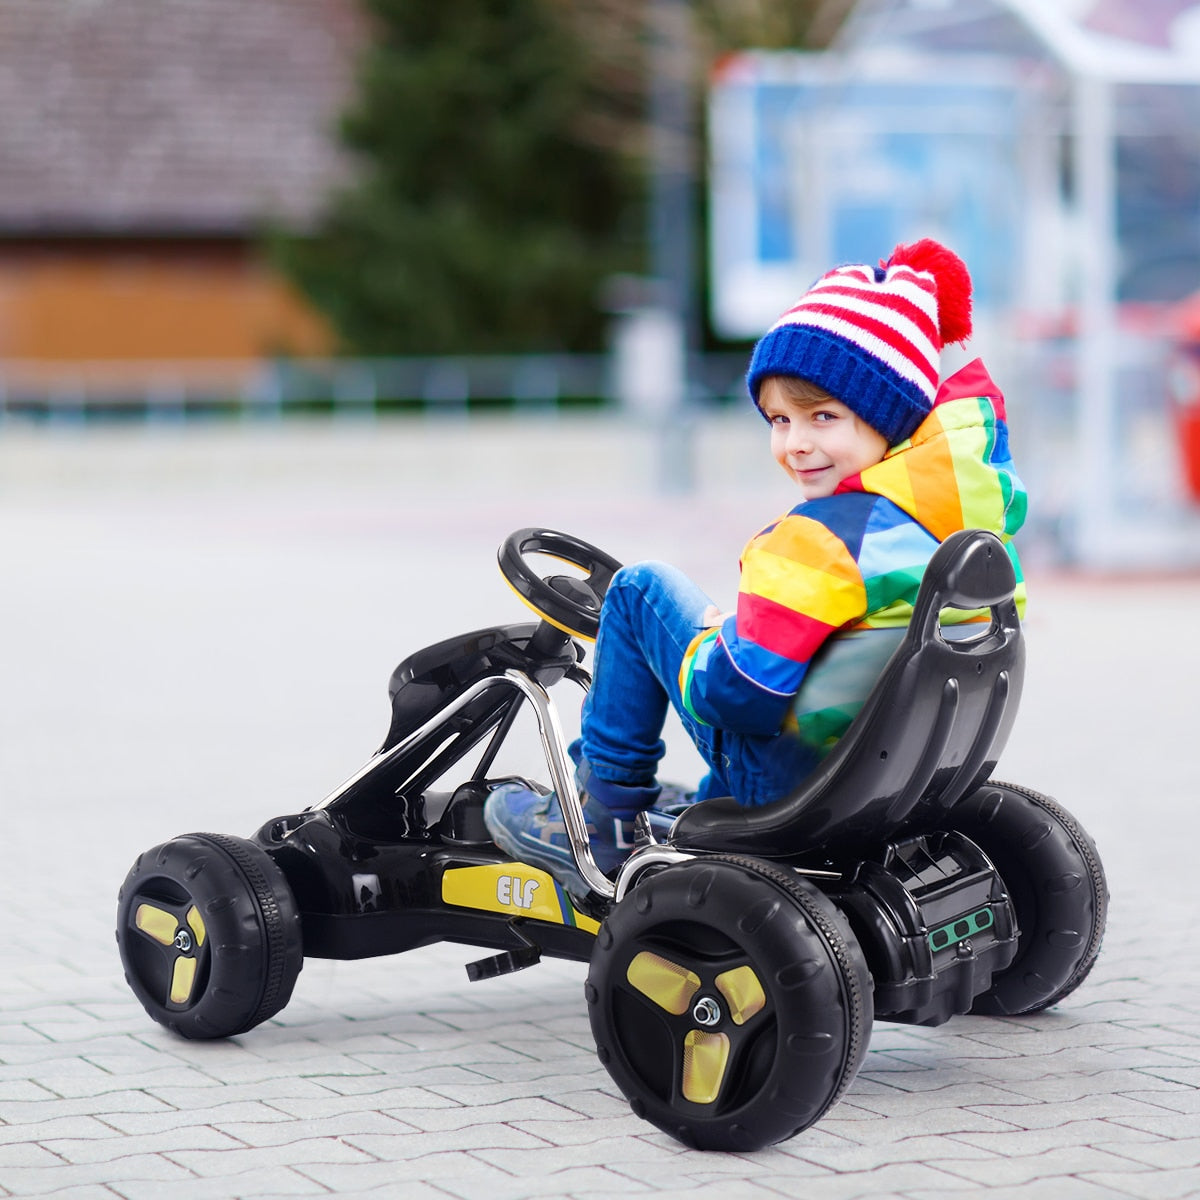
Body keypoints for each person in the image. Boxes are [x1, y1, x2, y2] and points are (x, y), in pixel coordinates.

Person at [484, 238, 1027, 897]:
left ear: (888, 417)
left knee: (639, 591)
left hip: (792, 781)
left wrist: (714, 645)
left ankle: (602, 824)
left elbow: (736, 695)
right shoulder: (955, 528)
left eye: (823, 417)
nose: (796, 443)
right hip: (893, 775)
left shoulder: (821, 540)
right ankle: (687, 814)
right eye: (778, 419)